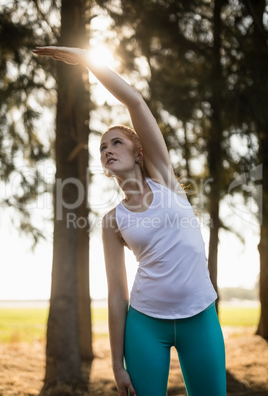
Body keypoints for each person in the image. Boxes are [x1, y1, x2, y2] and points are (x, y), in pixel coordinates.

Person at [33, 46, 227, 396]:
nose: (107, 150)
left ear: (140, 153)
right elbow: (117, 294)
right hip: (145, 325)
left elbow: (135, 102)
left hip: (200, 317)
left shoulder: (166, 181)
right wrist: (116, 364)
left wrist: (88, 60)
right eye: (102, 148)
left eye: (116, 142)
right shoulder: (112, 222)